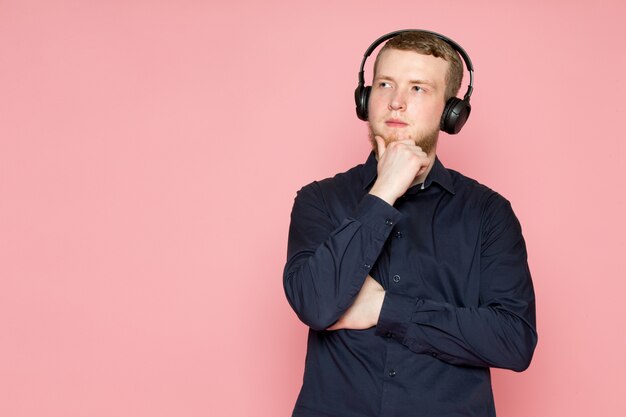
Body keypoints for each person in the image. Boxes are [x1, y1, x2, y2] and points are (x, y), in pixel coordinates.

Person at [283, 30, 537, 417]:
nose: (396, 102)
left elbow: (513, 341)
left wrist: (383, 308)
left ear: (451, 112)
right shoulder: (319, 200)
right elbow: (316, 305)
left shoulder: (489, 214)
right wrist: (383, 191)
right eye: (385, 84)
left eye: (418, 89)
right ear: (365, 99)